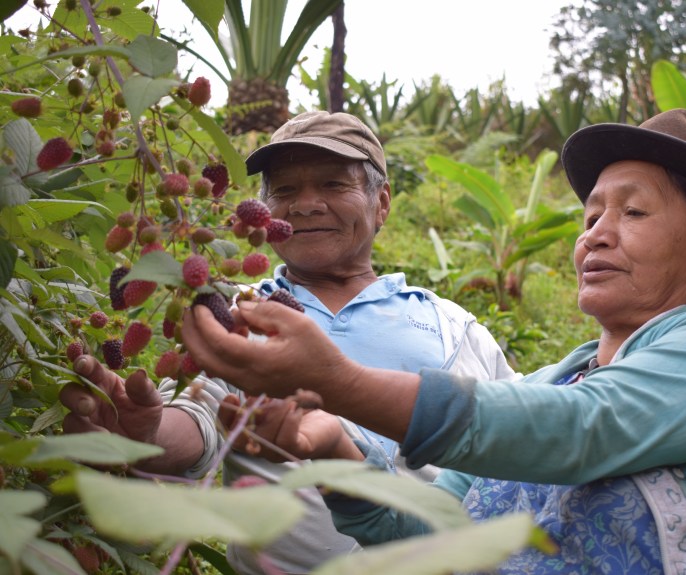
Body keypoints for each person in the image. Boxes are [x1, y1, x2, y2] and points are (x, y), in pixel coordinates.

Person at [180, 109, 686, 574]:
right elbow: (429, 534)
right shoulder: (547, 384)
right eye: (591, 215)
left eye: (634, 213)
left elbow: (578, 430)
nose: (595, 234)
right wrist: (337, 451)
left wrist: (344, 383)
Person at [59, 111, 516, 574]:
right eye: (284, 191)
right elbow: (201, 415)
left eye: (335, 185)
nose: (305, 205)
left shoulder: (453, 324)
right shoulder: (239, 314)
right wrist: (144, 434)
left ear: (381, 203)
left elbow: (522, 437)